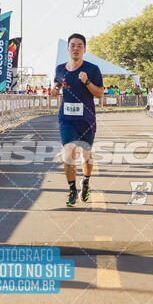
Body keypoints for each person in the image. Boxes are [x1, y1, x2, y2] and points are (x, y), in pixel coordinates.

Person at [51, 33, 104, 207]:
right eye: (73, 45)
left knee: (86, 157)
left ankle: (85, 182)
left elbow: (100, 93)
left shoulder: (92, 69)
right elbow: (58, 84)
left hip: (86, 119)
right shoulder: (59, 68)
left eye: (79, 45)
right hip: (66, 119)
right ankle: (72, 190)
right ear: (68, 48)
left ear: (84, 49)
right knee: (68, 155)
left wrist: (86, 81)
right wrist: (54, 89)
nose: (76, 48)